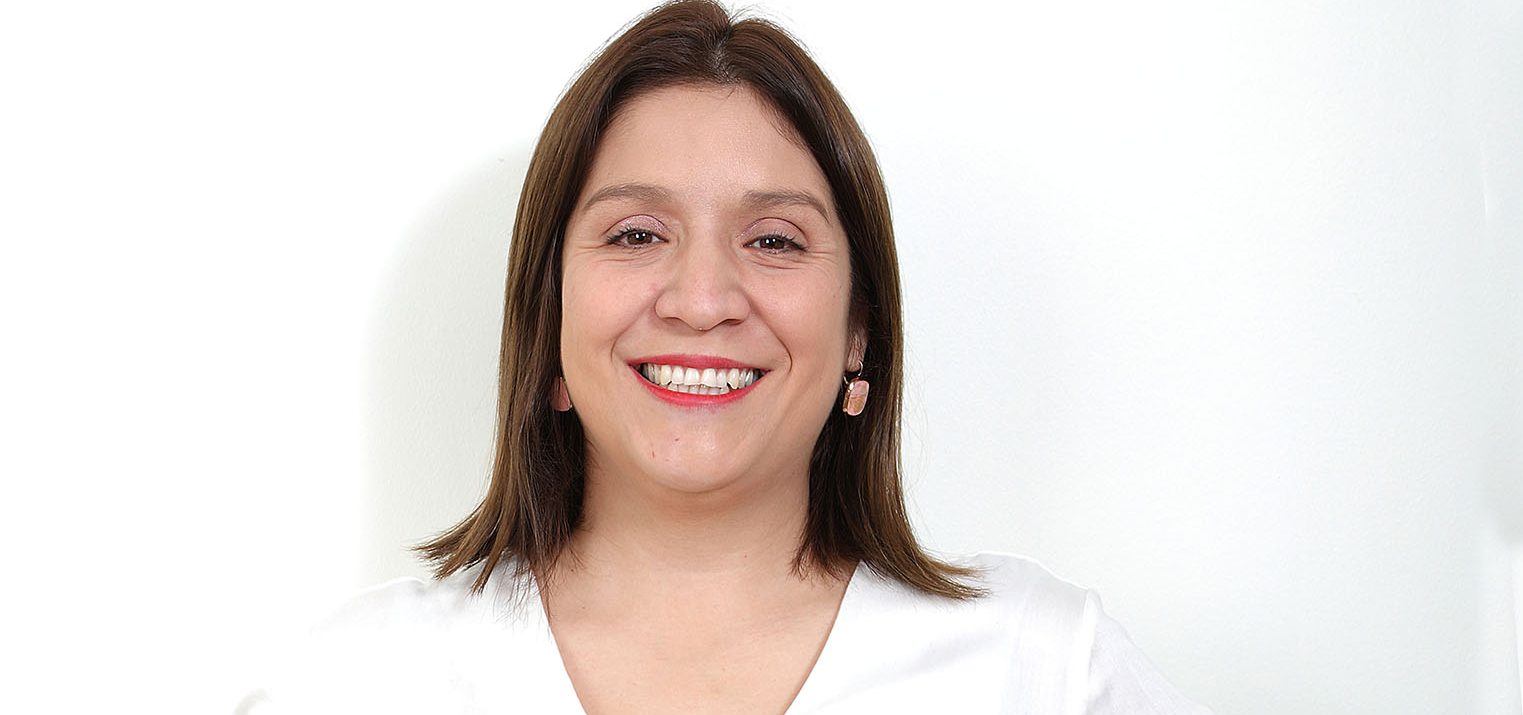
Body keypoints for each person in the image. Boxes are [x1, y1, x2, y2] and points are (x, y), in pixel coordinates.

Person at [242, 1, 1213, 712]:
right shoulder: (355, 683)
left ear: (860, 329)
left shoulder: (1042, 667)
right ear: (548, 319)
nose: (702, 299)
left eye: (774, 240)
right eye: (635, 234)